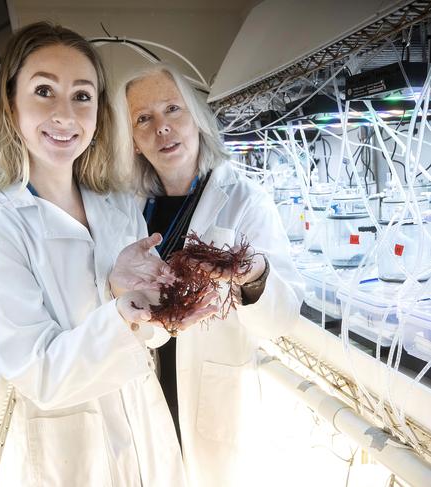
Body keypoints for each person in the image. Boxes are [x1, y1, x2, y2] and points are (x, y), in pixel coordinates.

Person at [0, 24, 215, 486]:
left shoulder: (116, 206)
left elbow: (146, 338)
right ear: (11, 105)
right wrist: (123, 311)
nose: (64, 114)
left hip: (145, 430)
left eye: (82, 96)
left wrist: (159, 312)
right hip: (67, 451)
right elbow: (42, 374)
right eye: (44, 91)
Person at [118, 63, 305, 486]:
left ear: (197, 119)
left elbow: (283, 318)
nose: (162, 128)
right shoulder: (127, 208)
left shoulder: (245, 200)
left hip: (214, 390)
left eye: (172, 109)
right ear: (132, 140)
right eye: (143, 118)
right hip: (145, 384)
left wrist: (252, 277)